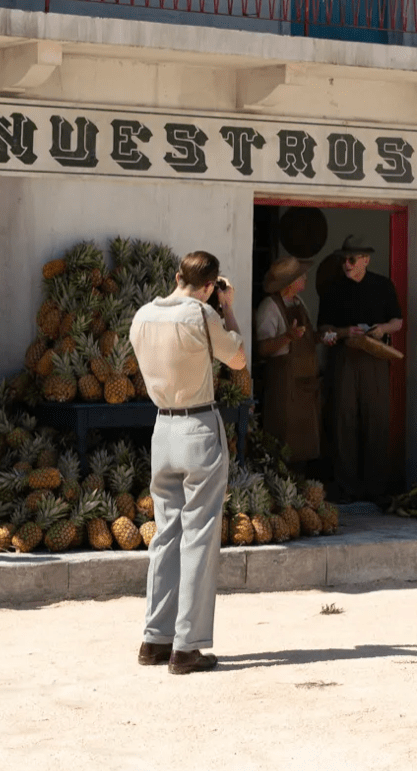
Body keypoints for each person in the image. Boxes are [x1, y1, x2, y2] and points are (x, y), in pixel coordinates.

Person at [129, 250, 246, 675]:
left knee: (166, 535)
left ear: (177, 276)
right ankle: (187, 646)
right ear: (211, 285)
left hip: (162, 428)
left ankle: (154, 638)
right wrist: (228, 308)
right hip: (198, 425)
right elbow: (237, 358)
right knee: (198, 537)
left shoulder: (142, 315)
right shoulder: (201, 314)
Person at [316, 236, 403, 507]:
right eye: (344, 259)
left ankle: (375, 487)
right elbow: (323, 330)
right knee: (344, 420)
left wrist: (380, 330)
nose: (347, 264)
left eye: (352, 259)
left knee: (376, 418)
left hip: (375, 357)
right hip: (344, 357)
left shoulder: (383, 286)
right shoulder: (332, 289)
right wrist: (344, 332)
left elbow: (397, 322)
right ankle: (346, 487)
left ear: (366, 259)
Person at [255, 256, 325, 470]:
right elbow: (262, 348)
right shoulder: (269, 307)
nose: (305, 278)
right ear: (289, 283)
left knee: (305, 444)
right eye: (300, 276)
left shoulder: (298, 303)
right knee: (284, 443)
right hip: (284, 386)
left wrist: (321, 337)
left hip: (305, 385)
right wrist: (288, 337)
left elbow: (308, 336)